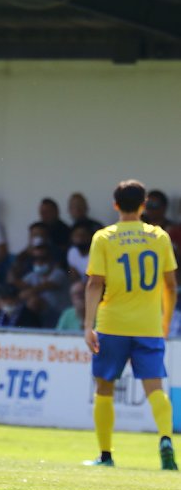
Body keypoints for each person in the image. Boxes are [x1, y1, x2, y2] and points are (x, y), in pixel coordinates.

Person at [83, 179, 177, 470]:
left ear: (115, 205)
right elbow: (171, 285)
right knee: (155, 389)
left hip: (112, 325)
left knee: (104, 389)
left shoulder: (104, 237)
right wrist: (164, 321)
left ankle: (106, 455)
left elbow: (95, 282)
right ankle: (165, 438)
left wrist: (89, 324)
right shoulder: (159, 237)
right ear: (144, 203)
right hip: (148, 326)